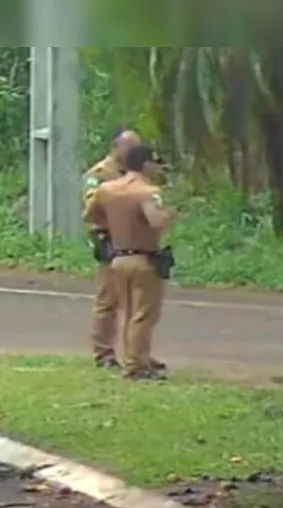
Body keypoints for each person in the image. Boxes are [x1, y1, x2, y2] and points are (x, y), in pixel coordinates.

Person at [85, 145, 177, 380]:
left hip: (117, 257)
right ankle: (136, 365)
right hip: (143, 258)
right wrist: (170, 214)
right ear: (145, 164)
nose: (157, 168)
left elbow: (90, 215)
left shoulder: (107, 189)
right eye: (155, 162)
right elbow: (155, 221)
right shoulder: (147, 192)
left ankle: (130, 357)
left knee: (125, 311)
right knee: (143, 314)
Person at [82, 127, 141, 369]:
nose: (133, 153)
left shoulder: (137, 173)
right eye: (129, 147)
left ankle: (136, 353)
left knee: (137, 302)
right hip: (111, 240)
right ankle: (103, 352)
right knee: (109, 300)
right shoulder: (101, 174)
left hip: (136, 241)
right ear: (116, 146)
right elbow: (91, 209)